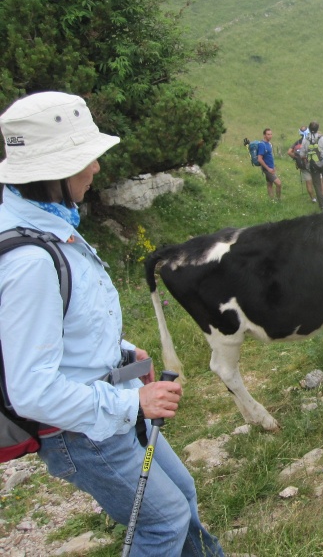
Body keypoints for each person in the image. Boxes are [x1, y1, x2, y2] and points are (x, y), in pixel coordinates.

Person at [0, 92, 225, 556]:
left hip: (108, 402)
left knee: (180, 495)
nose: (97, 168)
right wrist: (136, 402)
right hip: (81, 431)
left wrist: (121, 353)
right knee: (161, 524)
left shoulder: (48, 218)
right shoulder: (30, 260)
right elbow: (31, 389)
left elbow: (65, 324)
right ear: (55, 172)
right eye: (86, 158)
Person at [298, 121, 323, 210]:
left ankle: (322, 206)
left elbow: (302, 154)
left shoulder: (305, 139)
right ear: (318, 128)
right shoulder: (322, 138)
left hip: (313, 165)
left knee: (317, 186)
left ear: (309, 129)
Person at [286, 126, 316, 203]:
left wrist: (296, 157)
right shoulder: (311, 141)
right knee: (318, 180)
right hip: (313, 163)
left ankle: (313, 198)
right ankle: (322, 196)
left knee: (308, 182)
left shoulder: (297, 142)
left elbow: (289, 152)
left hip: (303, 165)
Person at [257, 127, 281, 200]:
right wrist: (268, 169)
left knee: (269, 184)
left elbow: (269, 157)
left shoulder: (269, 144)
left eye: (271, 134)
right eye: (268, 134)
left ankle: (271, 199)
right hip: (267, 169)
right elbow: (259, 159)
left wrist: (273, 166)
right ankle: (278, 200)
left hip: (271, 167)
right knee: (278, 183)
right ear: (264, 135)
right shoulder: (262, 145)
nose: (270, 136)